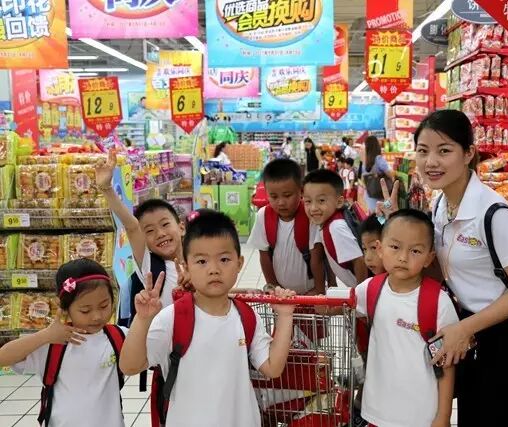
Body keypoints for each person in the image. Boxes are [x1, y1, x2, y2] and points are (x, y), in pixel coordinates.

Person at [379, 109, 508, 426]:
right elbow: (439, 270)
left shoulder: (494, 214)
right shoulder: (441, 204)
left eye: (444, 151)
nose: (431, 162)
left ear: (468, 154)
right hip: (470, 330)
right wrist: (394, 224)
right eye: (423, 151)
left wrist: (465, 329)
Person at [120, 210, 296, 426]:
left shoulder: (247, 317)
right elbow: (129, 366)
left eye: (224, 259)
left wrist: (285, 316)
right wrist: (142, 320)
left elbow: (272, 367)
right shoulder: (172, 318)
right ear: (186, 266)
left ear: (239, 263)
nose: (214, 269)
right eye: (202, 261)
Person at [355, 209, 457, 427]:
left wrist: (443, 417)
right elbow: (333, 307)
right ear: (380, 249)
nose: (403, 257)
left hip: (421, 417)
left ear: (429, 258)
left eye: (415, 251)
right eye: (395, 247)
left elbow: (446, 365)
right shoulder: (369, 289)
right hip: (377, 412)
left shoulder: (438, 302)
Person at [0, 259, 126, 427]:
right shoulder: (52, 343)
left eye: (104, 306)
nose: (97, 316)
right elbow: (3, 357)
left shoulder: (118, 336)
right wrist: (44, 336)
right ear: (65, 308)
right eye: (85, 310)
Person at [96, 149, 184, 317]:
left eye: (165, 224)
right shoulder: (150, 267)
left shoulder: (198, 263)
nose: (160, 233)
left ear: (181, 227)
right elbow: (132, 227)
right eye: (149, 231)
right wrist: (107, 188)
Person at [247, 158, 325, 295]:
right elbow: (264, 256)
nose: (281, 202)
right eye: (274, 196)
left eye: (287, 195)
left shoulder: (310, 215)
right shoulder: (263, 216)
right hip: (281, 293)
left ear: (301, 190)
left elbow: (317, 256)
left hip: (311, 292)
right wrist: (273, 287)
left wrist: (319, 289)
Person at [302, 169, 368, 287]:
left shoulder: (336, 227)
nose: (313, 208)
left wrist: (361, 294)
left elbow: (359, 261)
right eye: (308, 201)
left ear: (339, 202)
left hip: (363, 290)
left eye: (321, 200)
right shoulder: (327, 223)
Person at [362, 135, 394, 213]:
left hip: (369, 195)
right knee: (383, 214)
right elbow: (390, 174)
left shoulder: (364, 161)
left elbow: (363, 177)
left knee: (374, 215)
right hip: (380, 194)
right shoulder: (379, 159)